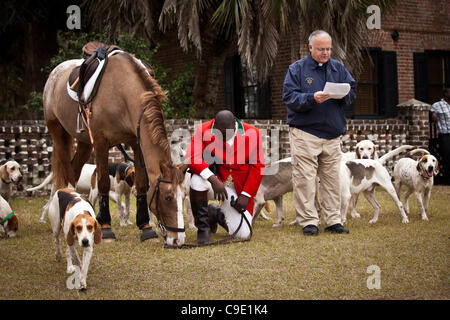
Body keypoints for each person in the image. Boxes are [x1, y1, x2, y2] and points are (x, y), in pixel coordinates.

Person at [282, 30, 357, 236]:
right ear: (310, 48)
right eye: (321, 49)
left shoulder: (338, 68)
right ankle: (309, 222)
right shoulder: (296, 69)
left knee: (332, 179)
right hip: (305, 134)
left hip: (333, 135)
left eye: (328, 49)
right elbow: (289, 98)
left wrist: (343, 95)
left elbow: (352, 89)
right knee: (305, 179)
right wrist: (311, 98)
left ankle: (333, 220)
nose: (325, 53)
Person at [186, 110, 265, 244]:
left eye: (226, 133)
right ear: (214, 125)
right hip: (214, 183)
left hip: (237, 189)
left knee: (243, 235)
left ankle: (215, 212)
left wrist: (245, 195)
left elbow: (257, 167)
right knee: (196, 180)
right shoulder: (202, 129)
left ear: (235, 125)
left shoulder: (252, 133)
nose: (223, 138)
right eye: (219, 133)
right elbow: (193, 158)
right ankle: (203, 228)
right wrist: (213, 179)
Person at [430, 88, 450, 178]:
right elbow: (433, 116)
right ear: (445, 94)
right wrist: (434, 116)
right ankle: (446, 177)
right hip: (444, 134)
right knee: (446, 155)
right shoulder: (437, 105)